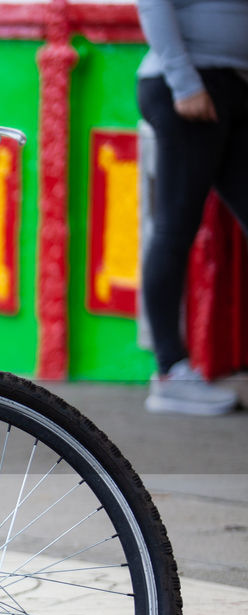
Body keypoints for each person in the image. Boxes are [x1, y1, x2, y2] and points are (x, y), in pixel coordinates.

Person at [137, 0, 248, 415]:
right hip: (190, 85)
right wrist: (184, 83)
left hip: (231, 85)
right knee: (174, 228)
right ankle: (170, 374)